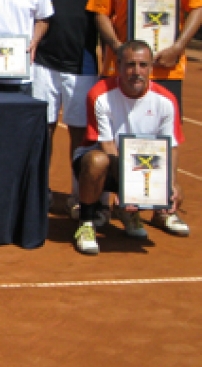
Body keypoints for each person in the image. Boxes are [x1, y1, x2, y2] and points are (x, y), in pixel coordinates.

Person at [72, 40, 187, 255]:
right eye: (130, 65)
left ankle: (130, 213)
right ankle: (86, 222)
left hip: (140, 164)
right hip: (100, 161)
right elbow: (107, 146)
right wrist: (130, 192)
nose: (137, 72)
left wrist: (170, 186)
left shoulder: (166, 101)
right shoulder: (100, 95)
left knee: (172, 187)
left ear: (151, 67)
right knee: (97, 161)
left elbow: (169, 147)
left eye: (143, 65)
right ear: (118, 66)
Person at [33, 0, 100, 216]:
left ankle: (78, 194)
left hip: (82, 67)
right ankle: (40, 190)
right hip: (44, 64)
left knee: (78, 133)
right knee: (42, 130)